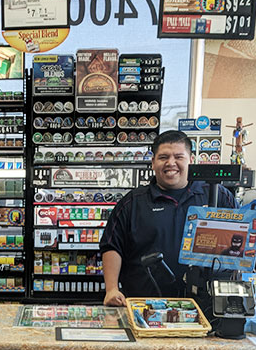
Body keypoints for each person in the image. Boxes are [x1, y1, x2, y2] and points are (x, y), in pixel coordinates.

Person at [99, 130, 238, 306]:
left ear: (191, 160)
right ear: (153, 162)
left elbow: (241, 243)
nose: (171, 163)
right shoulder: (133, 202)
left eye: (178, 157)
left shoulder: (217, 195)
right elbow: (112, 246)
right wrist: (111, 289)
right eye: (163, 157)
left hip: (207, 306)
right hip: (144, 306)